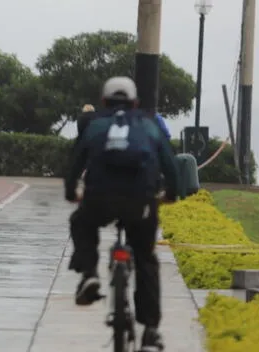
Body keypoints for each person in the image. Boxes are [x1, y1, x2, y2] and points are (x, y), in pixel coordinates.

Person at [64, 76, 181, 351]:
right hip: (140, 202)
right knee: (145, 259)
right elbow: (171, 167)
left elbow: (74, 165)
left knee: (80, 222)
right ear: (135, 103)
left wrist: (72, 193)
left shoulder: (95, 126)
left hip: (99, 200)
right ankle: (150, 332)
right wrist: (170, 195)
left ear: (104, 102)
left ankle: (90, 273)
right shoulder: (150, 126)